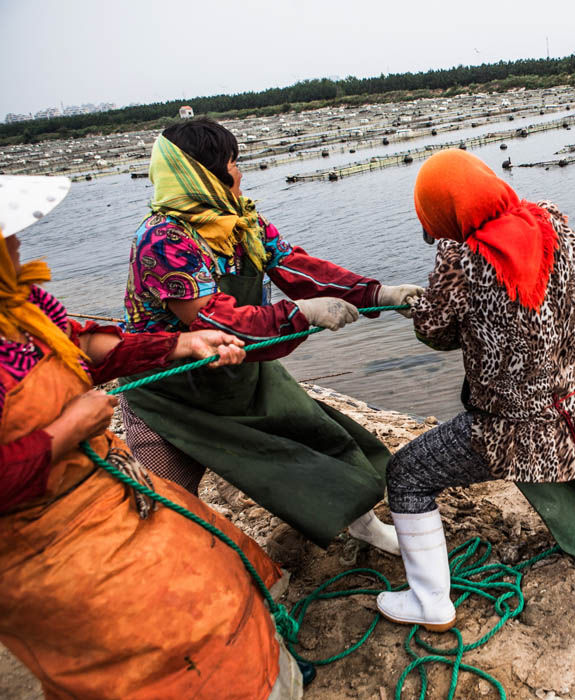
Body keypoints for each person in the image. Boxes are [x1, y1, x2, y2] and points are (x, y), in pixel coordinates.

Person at [0, 175, 302, 699]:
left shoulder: (20, 308)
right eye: (5, 239)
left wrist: (183, 343)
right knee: (171, 626)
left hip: (99, 484)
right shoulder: (162, 241)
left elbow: (83, 342)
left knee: (221, 556)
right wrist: (69, 429)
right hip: (34, 540)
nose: (18, 244)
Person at [121, 118, 423, 555]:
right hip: (170, 390)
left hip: (241, 371)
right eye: (232, 162)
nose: (240, 172)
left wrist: (376, 292)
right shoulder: (162, 240)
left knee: (319, 437)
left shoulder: (242, 223)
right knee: (165, 497)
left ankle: (364, 523)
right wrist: (299, 315)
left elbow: (297, 267)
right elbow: (214, 322)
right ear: (204, 173)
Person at [375, 150, 575, 631]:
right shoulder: (551, 222)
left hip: (515, 426)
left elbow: (436, 332)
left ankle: (430, 602)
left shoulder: (462, 258)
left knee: (405, 474)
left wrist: (411, 302)